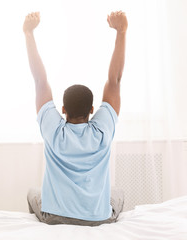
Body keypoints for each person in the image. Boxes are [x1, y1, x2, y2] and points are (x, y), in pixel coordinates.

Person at [23, 11, 127, 226]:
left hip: (54, 217)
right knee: (118, 193)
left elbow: (40, 81)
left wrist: (28, 33)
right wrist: (121, 32)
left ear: (62, 109)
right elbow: (114, 81)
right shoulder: (102, 132)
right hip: (98, 218)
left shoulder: (54, 131)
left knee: (33, 192)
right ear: (91, 110)